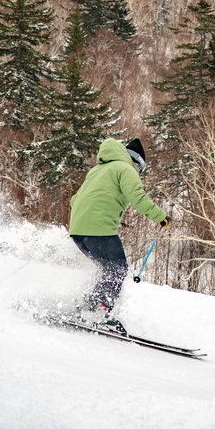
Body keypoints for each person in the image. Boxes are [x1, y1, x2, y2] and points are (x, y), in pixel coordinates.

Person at [67, 137, 167, 335]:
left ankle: (89, 306)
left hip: (78, 230)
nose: (139, 173)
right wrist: (161, 217)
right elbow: (137, 197)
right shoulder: (126, 169)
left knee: (107, 269)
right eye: (141, 169)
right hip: (98, 228)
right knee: (117, 269)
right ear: (137, 162)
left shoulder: (97, 170)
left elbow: (74, 199)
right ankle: (100, 310)